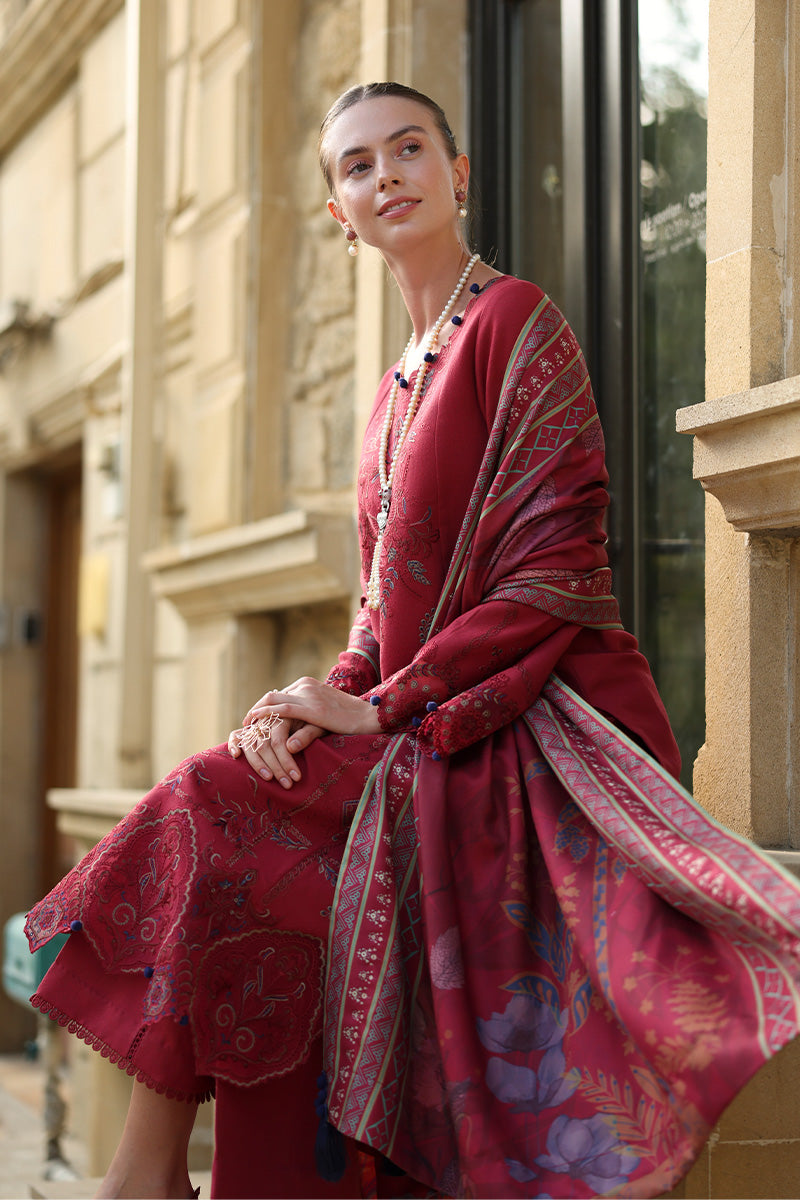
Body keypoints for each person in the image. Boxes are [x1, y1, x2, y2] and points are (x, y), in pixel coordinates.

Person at [25, 81, 800, 1200]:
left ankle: (140, 1181)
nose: (385, 174)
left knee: (210, 810)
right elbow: (377, 612)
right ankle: (152, 1176)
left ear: (457, 174)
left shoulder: (516, 324)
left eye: (408, 150)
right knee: (231, 807)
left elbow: (554, 577)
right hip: (414, 714)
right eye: (357, 166)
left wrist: (378, 705)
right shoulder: (393, 389)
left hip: (527, 716)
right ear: (338, 211)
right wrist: (310, 700)